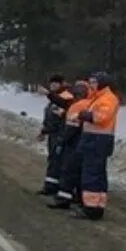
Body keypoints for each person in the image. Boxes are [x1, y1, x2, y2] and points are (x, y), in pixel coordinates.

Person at [74, 71, 118, 220]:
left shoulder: (108, 98)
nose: (91, 85)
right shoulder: (97, 98)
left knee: (92, 174)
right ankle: (95, 206)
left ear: (101, 83)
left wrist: (84, 115)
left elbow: (102, 117)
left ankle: (91, 208)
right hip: (94, 139)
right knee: (96, 174)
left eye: (94, 82)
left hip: (98, 140)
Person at [48, 80, 92, 210]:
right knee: (79, 172)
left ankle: (63, 199)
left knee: (68, 170)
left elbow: (72, 126)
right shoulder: (89, 103)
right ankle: (79, 198)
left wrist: (62, 140)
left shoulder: (77, 105)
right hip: (84, 141)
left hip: (73, 142)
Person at [38, 75, 75, 196]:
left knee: (57, 161)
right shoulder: (54, 98)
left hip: (60, 134)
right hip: (53, 134)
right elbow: (50, 118)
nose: (52, 85)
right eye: (51, 83)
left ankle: (55, 188)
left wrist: (48, 94)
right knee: (53, 160)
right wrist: (44, 131)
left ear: (61, 84)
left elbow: (60, 118)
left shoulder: (65, 96)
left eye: (55, 83)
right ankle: (51, 186)